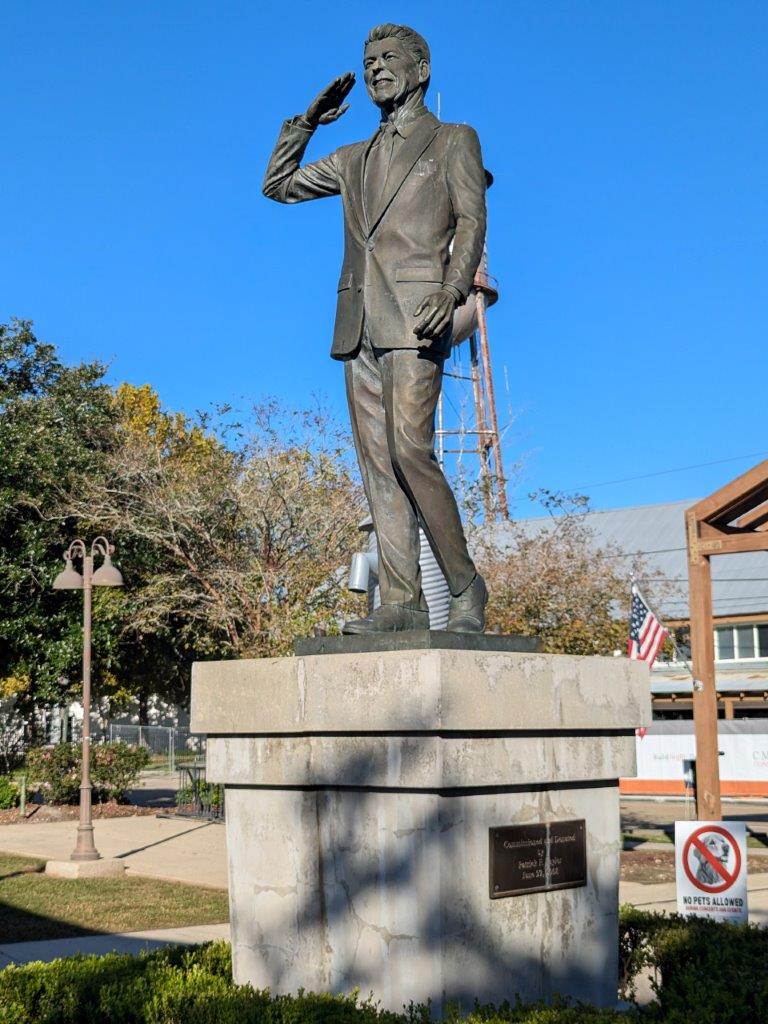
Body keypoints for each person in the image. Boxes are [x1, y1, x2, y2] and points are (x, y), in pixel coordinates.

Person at [263, 23, 488, 634]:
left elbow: (470, 220)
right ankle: (401, 602)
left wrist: (452, 289)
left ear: (422, 70)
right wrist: (305, 124)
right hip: (357, 321)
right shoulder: (353, 158)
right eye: (369, 62)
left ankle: (466, 589)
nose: (376, 70)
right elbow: (277, 187)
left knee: (411, 451)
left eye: (389, 59)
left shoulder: (452, 140)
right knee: (378, 466)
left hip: (421, 315)